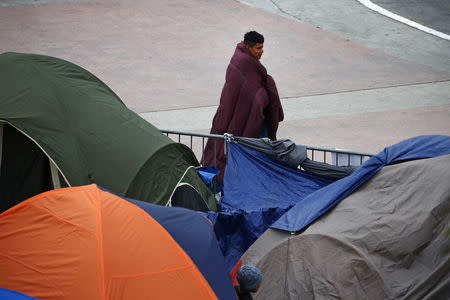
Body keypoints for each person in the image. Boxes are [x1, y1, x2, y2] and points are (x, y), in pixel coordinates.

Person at [203, 31, 284, 183]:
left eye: (262, 48)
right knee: (256, 153)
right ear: (248, 46)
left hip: (254, 117)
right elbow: (252, 95)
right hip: (249, 118)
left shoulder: (244, 59)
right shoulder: (242, 62)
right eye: (258, 48)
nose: (261, 52)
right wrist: (265, 95)